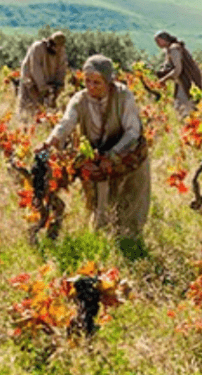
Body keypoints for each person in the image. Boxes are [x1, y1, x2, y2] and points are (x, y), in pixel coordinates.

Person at [41, 54, 151, 260]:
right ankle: (102, 251)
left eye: (97, 82)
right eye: (87, 81)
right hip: (100, 162)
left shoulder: (123, 96)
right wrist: (50, 142)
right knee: (101, 209)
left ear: (109, 82)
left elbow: (132, 132)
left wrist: (114, 153)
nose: (91, 86)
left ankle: (131, 251)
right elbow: (66, 123)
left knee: (131, 205)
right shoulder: (80, 100)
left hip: (130, 157)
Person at [17, 31, 68, 116]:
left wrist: (59, 85)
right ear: (50, 43)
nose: (57, 49)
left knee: (46, 110)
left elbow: (61, 69)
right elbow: (35, 69)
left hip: (47, 81)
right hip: (30, 80)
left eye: (59, 47)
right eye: (55, 46)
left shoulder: (61, 51)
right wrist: (42, 87)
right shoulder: (37, 48)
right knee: (27, 107)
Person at [154, 31, 202, 118]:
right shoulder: (170, 49)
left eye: (158, 41)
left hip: (187, 80)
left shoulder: (174, 49)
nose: (157, 43)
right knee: (183, 105)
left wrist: (164, 79)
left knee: (183, 105)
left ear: (164, 39)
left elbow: (177, 70)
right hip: (183, 80)